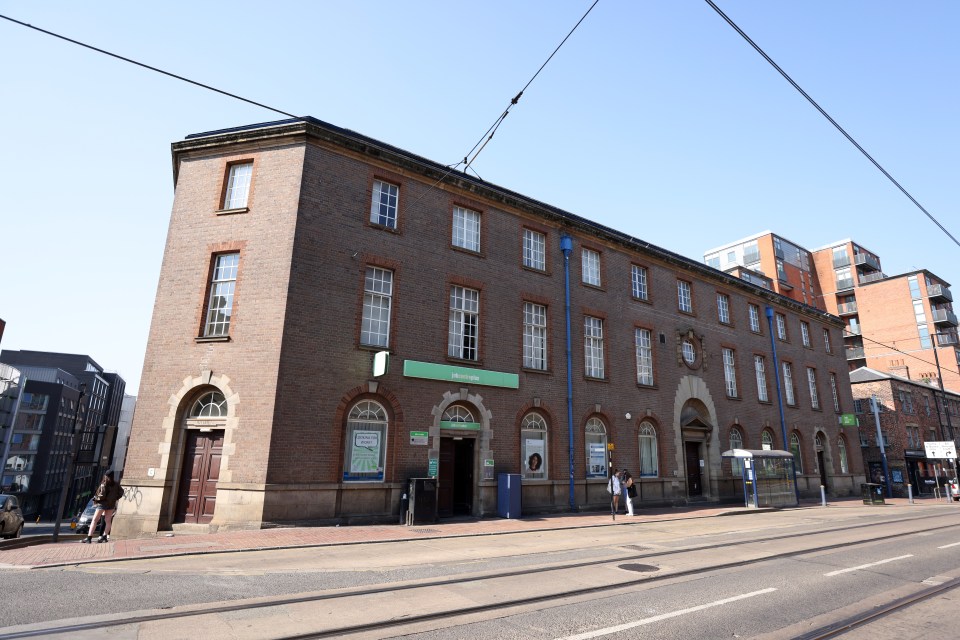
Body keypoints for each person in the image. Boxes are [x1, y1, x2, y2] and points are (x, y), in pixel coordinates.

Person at [81, 470, 123, 543]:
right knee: (108, 521)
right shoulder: (116, 484)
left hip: (102, 504)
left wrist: (96, 499)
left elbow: (102, 495)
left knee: (95, 520)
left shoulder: (104, 484)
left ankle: (89, 538)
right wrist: (115, 498)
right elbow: (121, 492)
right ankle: (104, 537)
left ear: (106, 475)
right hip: (111, 504)